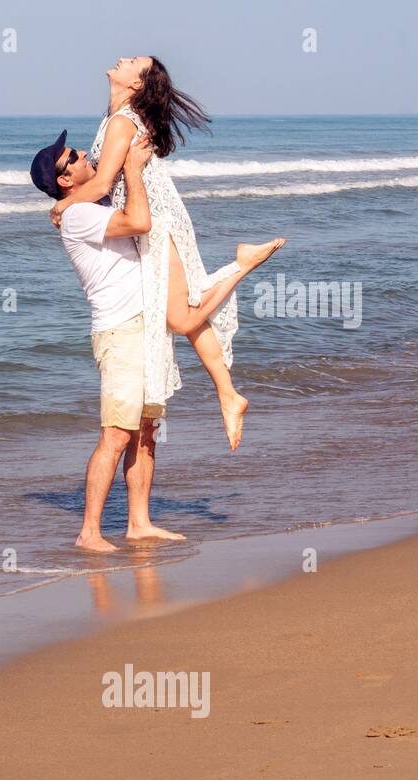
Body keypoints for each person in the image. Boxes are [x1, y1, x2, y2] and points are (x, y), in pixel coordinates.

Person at [49, 56, 285, 450]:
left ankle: (242, 265)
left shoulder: (121, 122)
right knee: (186, 316)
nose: (122, 59)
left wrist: (62, 206)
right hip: (154, 221)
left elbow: (104, 181)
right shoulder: (115, 118)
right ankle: (228, 395)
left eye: (133, 62)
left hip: (159, 222)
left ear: (136, 84)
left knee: (179, 316)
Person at [31, 130, 176, 552]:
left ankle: (139, 523)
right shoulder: (77, 216)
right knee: (115, 435)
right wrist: (130, 167)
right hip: (121, 329)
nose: (81, 154)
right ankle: (89, 533)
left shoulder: (86, 204)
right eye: (72, 157)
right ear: (64, 179)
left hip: (144, 325)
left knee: (146, 430)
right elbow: (139, 222)